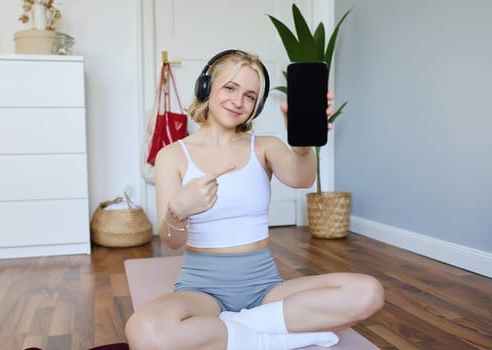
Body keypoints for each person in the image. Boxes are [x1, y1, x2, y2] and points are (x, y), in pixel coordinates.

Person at [125, 49, 384, 350]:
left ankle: (234, 332)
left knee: (369, 292)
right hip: (201, 291)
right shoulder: (172, 155)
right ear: (206, 88)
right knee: (144, 331)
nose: (238, 102)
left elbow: (302, 179)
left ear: (257, 106)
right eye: (230, 88)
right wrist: (179, 211)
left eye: (250, 95)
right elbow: (171, 241)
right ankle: (270, 335)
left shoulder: (265, 147)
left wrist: (301, 147)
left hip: (265, 289)